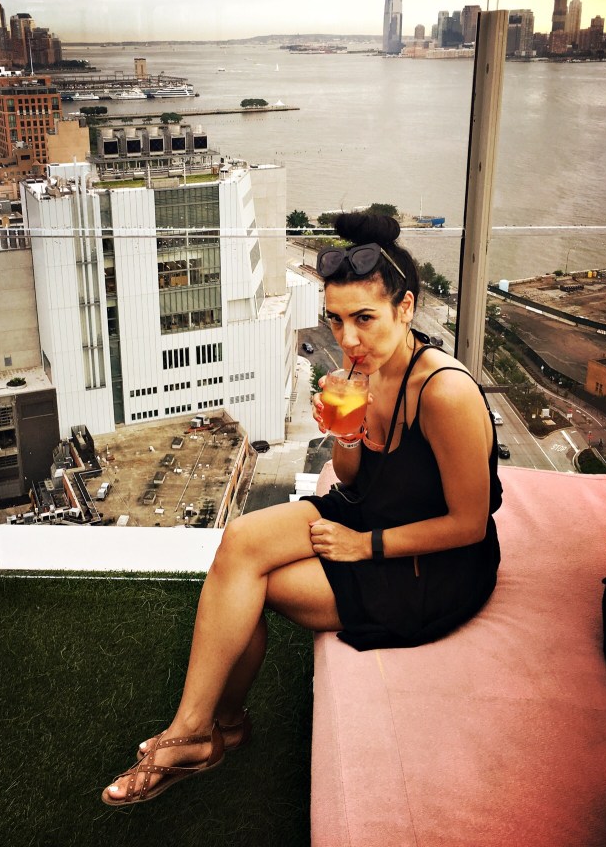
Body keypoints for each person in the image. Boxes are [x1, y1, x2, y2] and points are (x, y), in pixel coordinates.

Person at [102, 211, 502, 806]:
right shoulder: (362, 369)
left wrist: (363, 546)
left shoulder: (444, 392)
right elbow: (352, 477)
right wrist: (345, 433)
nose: (347, 339)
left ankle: (212, 730)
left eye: (364, 318)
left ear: (406, 308)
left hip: (430, 566)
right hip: (368, 510)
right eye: (336, 319)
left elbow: (469, 526)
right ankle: (203, 729)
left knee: (256, 583)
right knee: (241, 542)